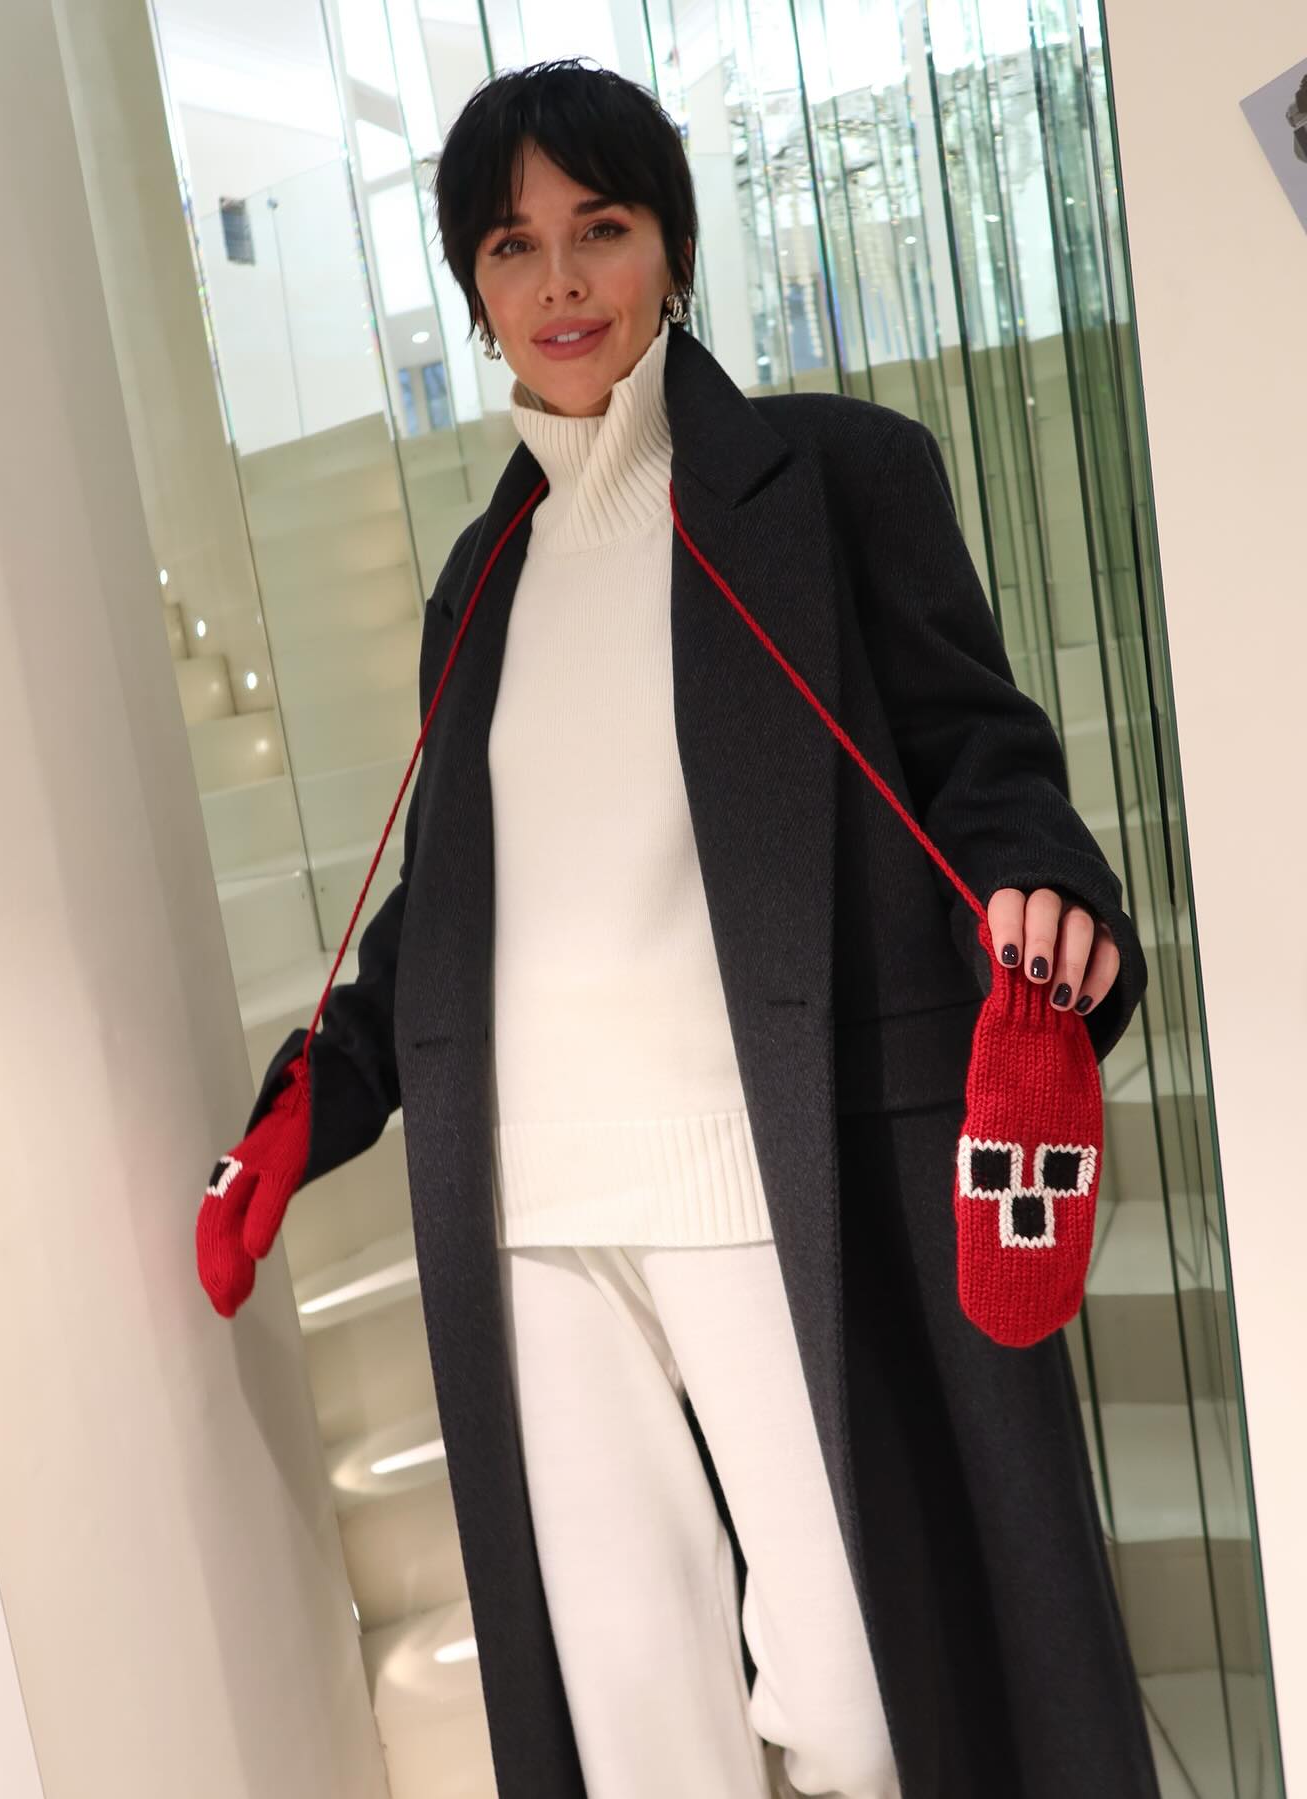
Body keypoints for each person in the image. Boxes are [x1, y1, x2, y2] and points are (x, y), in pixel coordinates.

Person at [198, 58, 1160, 1799]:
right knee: (637, 1721)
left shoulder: (837, 478)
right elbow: (454, 905)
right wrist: (312, 1101)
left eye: (603, 228)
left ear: (675, 247)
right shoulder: (482, 578)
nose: (561, 281)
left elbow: (980, 752)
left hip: (757, 1168)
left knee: (866, 1700)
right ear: (474, 285)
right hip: (532, 1212)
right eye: (513, 245)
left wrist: (1045, 883)